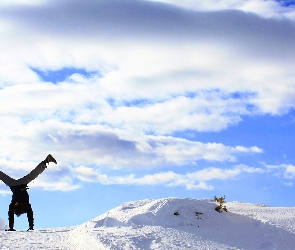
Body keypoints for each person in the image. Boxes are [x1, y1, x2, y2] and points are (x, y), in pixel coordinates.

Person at [0, 154, 57, 231]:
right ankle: (47, 160)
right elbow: (12, 214)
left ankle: (46, 160)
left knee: (33, 174)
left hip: (21, 184)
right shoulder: (15, 204)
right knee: (2, 176)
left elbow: (29, 215)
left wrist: (30, 227)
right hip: (13, 185)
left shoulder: (25, 204)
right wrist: (29, 227)